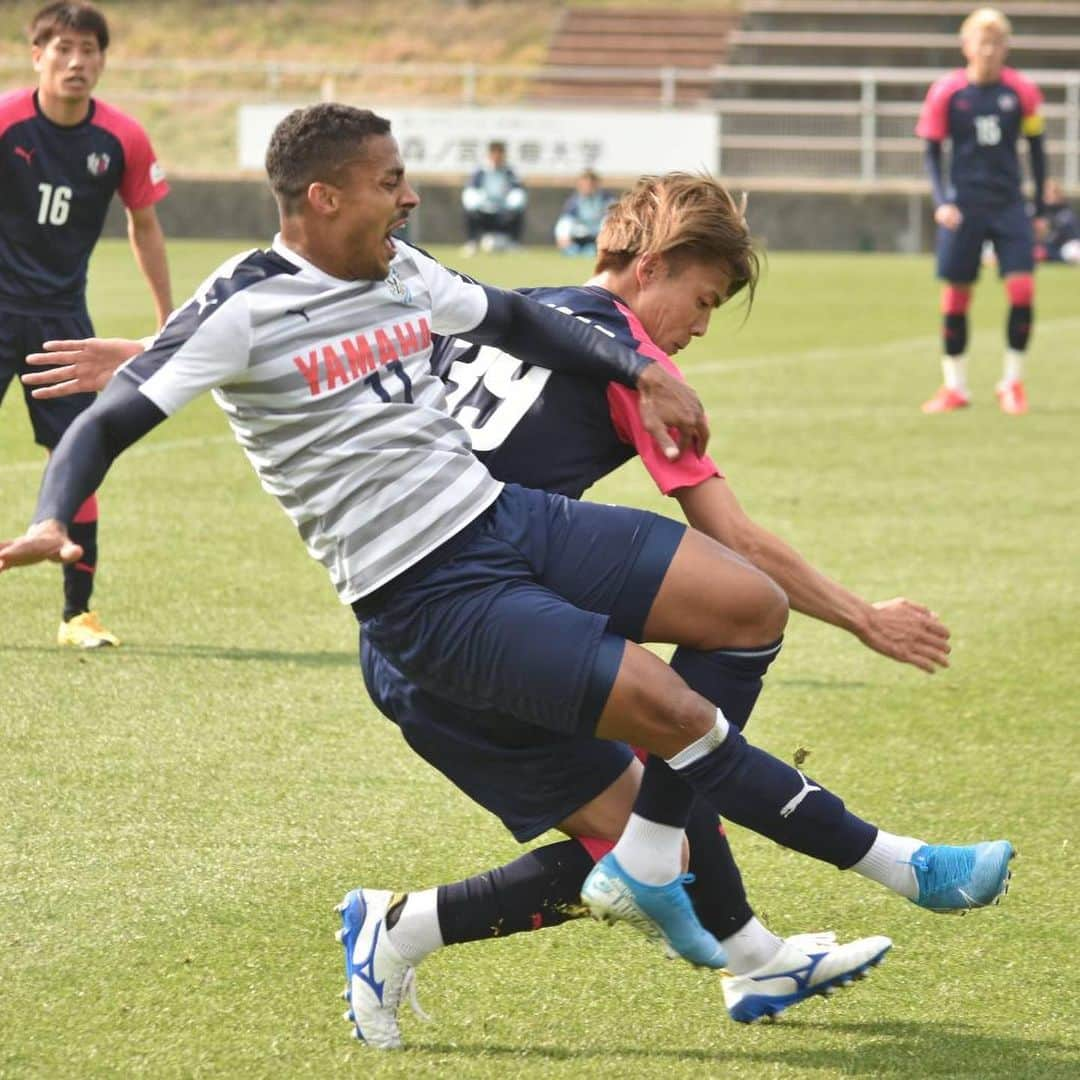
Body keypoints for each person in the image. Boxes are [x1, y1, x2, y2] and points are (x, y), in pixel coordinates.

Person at [19, 175, 1011, 1046]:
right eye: (702, 301)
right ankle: (879, 880)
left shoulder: (518, 305)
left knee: (650, 813)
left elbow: (310, 337)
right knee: (678, 759)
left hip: (412, 635)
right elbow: (738, 543)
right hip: (474, 620)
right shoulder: (628, 364)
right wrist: (863, 617)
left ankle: (689, 952)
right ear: (655, 265)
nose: (699, 328)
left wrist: (157, 354)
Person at [0, 1, 171, 648]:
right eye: (63, 49)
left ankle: (78, 615)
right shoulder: (5, 120)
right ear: (36, 55)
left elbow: (144, 224)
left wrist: (165, 323)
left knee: (75, 456)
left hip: (63, 323)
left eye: (90, 50)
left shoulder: (122, 138)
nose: (77, 62)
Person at [917, 7, 1045, 417]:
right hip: (964, 206)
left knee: (1022, 289)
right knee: (956, 296)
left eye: (997, 43)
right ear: (967, 46)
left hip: (1009, 205)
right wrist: (943, 202)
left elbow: (1037, 149)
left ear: (1006, 47)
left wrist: (1038, 206)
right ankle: (955, 386)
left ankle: (1012, 382)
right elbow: (932, 151)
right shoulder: (947, 92)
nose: (989, 50)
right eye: (982, 42)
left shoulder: (1022, 92)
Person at [461, 140, 527, 254]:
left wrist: (512, 203)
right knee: (471, 213)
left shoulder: (509, 172)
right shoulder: (481, 171)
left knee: (518, 212)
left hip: (502, 210)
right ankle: (472, 243)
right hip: (484, 209)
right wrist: (477, 202)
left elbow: (517, 190)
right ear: (490, 154)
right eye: (494, 154)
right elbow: (471, 190)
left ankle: (513, 243)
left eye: (500, 154)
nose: (497, 157)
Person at [554, 169, 612, 256]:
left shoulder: (606, 199)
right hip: (578, 236)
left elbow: (611, 218)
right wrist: (562, 237)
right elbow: (566, 220)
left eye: (590, 184)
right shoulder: (574, 201)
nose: (587, 187)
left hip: (597, 237)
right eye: (584, 184)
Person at [1036, 178, 1080, 265]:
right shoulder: (1039, 212)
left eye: (1050, 192)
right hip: (1047, 248)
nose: (1047, 195)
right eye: (1045, 192)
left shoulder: (1065, 212)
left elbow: (1061, 236)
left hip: (1067, 246)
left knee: (1071, 250)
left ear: (1058, 194)